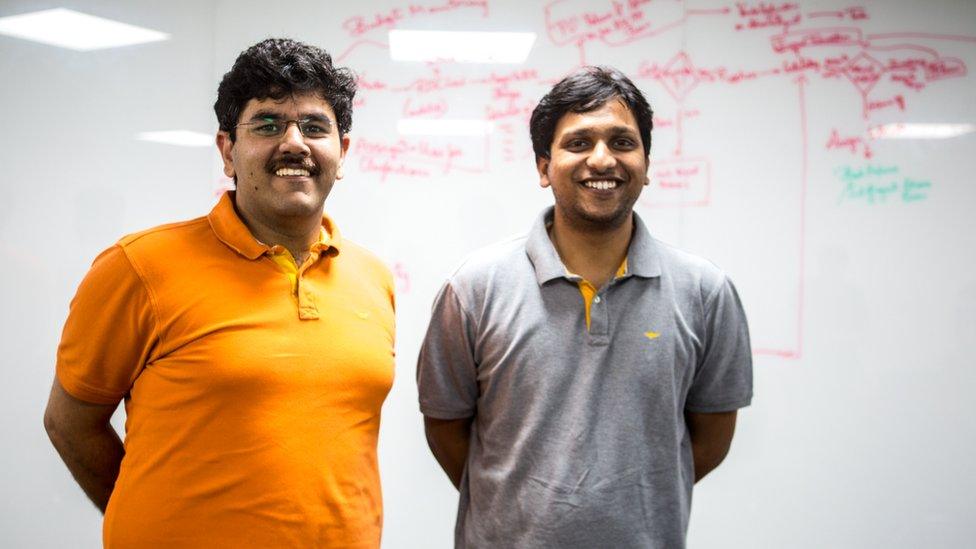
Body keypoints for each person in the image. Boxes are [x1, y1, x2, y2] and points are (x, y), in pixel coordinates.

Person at [43, 38, 395, 548]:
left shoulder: (373, 278)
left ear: (342, 153)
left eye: (315, 127)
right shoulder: (138, 267)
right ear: (228, 150)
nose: (294, 143)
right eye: (268, 124)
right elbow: (69, 423)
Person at [417, 66, 753, 548]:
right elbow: (446, 429)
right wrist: (516, 506)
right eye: (578, 143)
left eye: (622, 142)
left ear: (647, 162)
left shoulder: (706, 291)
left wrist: (624, 505)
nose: (602, 159)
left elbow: (711, 437)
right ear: (542, 166)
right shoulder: (473, 288)